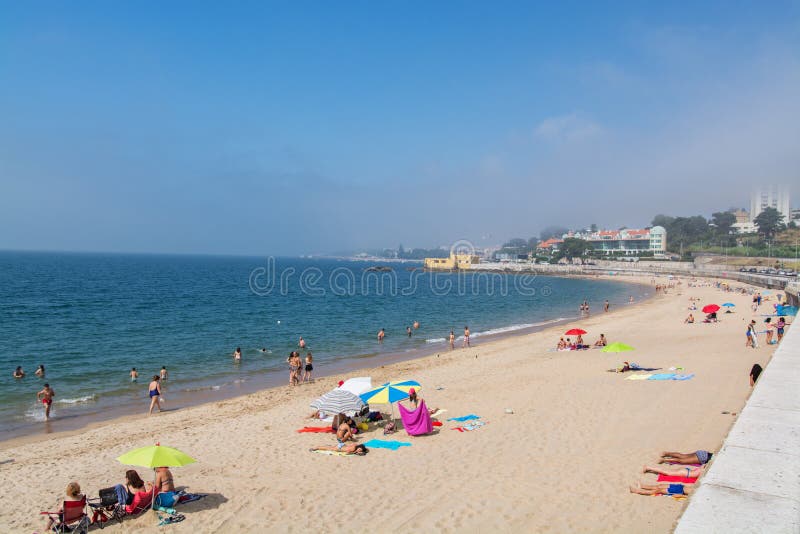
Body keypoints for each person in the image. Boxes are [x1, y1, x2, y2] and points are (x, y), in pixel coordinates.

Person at [629, 481, 694, 496]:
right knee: (660, 485)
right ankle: (643, 486)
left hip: (679, 490)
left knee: (658, 490)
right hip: (680, 486)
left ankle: (637, 491)